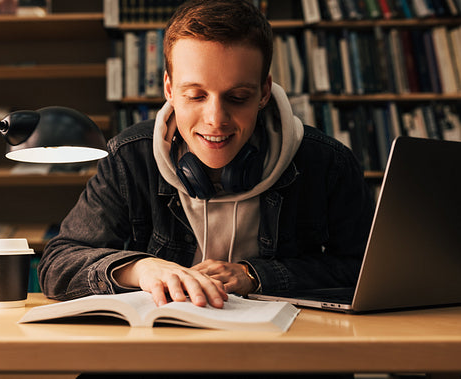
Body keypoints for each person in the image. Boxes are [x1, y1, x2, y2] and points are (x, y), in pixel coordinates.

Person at [38, 0, 374, 311]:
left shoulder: (328, 163)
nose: (216, 119)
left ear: (264, 92)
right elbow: (57, 264)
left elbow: (365, 270)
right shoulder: (129, 158)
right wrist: (140, 269)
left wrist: (257, 275)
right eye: (196, 95)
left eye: (238, 97)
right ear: (169, 89)